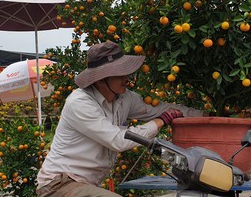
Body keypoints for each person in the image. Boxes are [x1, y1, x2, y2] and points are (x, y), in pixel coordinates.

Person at [36, 41, 204, 197]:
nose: (127, 77)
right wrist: (161, 121)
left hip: (85, 185)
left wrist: (205, 116)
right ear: (101, 79)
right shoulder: (80, 103)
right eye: (120, 73)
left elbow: (160, 108)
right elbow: (118, 141)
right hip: (59, 184)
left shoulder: (124, 98)